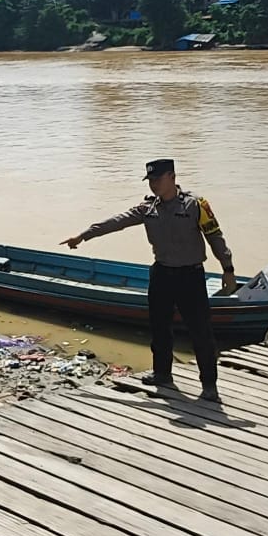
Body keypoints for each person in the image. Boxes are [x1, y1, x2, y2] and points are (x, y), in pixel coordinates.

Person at [61, 158, 235, 402]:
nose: (153, 185)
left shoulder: (196, 205)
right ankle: (162, 374)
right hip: (162, 274)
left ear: (172, 177)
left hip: (190, 276)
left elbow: (215, 236)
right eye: (150, 180)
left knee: (200, 332)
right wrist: (83, 236)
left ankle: (209, 386)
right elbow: (116, 222)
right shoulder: (148, 208)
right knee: (159, 328)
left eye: (157, 179)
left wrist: (228, 268)